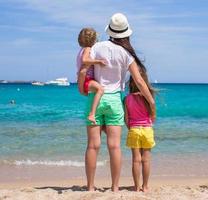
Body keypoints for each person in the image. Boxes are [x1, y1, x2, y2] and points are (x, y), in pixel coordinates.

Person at [84, 13, 156, 192]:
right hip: (114, 99)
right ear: (126, 33)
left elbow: (84, 68)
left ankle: (91, 187)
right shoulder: (125, 53)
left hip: (96, 97)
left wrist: (82, 87)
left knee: (93, 145)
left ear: (110, 30)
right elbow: (139, 81)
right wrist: (151, 101)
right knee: (114, 146)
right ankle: (115, 188)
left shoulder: (96, 47)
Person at [125, 71, 156, 192]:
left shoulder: (127, 99)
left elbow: (126, 119)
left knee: (136, 160)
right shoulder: (149, 98)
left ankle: (137, 187)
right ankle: (145, 186)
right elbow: (153, 116)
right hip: (147, 129)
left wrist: (132, 128)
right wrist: (148, 124)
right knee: (146, 160)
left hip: (134, 129)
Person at [77, 28, 107, 124]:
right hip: (87, 79)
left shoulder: (81, 50)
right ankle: (92, 114)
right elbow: (85, 60)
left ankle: (93, 114)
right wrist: (98, 61)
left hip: (85, 79)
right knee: (100, 90)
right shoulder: (88, 49)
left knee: (98, 91)